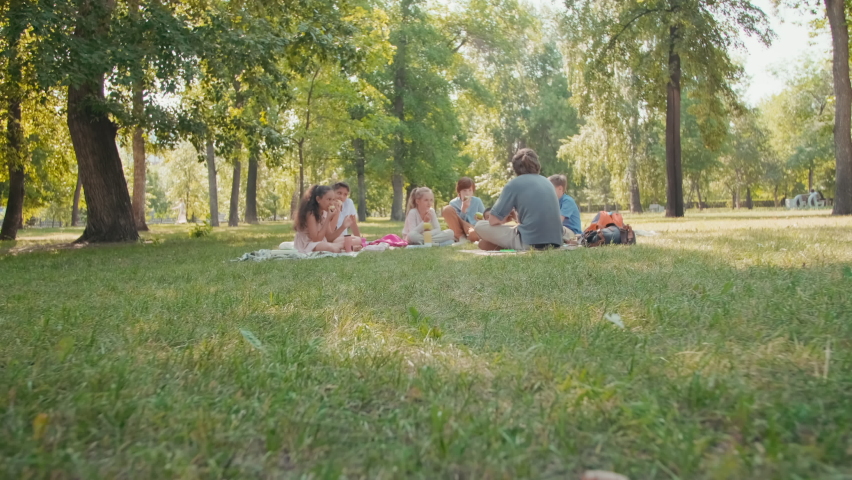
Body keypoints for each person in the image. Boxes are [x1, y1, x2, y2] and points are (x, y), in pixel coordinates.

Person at [474, 148, 563, 251]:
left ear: (515, 168)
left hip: (530, 242)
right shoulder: (548, 183)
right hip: (556, 242)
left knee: (480, 225)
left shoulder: (514, 184)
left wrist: (505, 218)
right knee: (484, 244)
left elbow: (493, 220)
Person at [294, 185, 353, 253]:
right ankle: (344, 248)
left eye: (333, 199)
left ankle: (344, 247)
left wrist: (343, 226)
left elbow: (329, 237)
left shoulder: (324, 213)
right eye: (328, 199)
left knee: (344, 243)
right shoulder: (311, 214)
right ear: (318, 199)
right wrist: (328, 218)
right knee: (333, 249)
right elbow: (316, 239)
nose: (331, 203)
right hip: (307, 244)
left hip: (320, 242)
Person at [441, 177, 486, 243]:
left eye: (470, 190)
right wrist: (463, 209)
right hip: (458, 229)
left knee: (474, 234)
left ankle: (466, 238)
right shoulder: (453, 203)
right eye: (464, 190)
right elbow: (457, 222)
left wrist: (480, 219)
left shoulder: (477, 201)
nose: (467, 193)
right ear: (459, 191)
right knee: (447, 209)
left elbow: (485, 219)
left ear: (473, 191)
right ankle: (461, 237)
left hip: (472, 228)